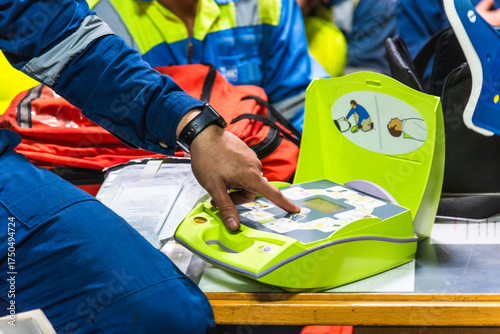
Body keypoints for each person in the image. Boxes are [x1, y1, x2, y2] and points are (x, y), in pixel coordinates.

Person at [0, 0, 300, 332]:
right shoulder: (116, 11)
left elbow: (69, 43)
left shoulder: (271, 7)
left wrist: (194, 128)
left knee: (167, 312)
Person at [87, 0, 330, 132]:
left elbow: (298, 105)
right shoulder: (105, 20)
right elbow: (111, 134)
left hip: (263, 170)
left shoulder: (270, 5)